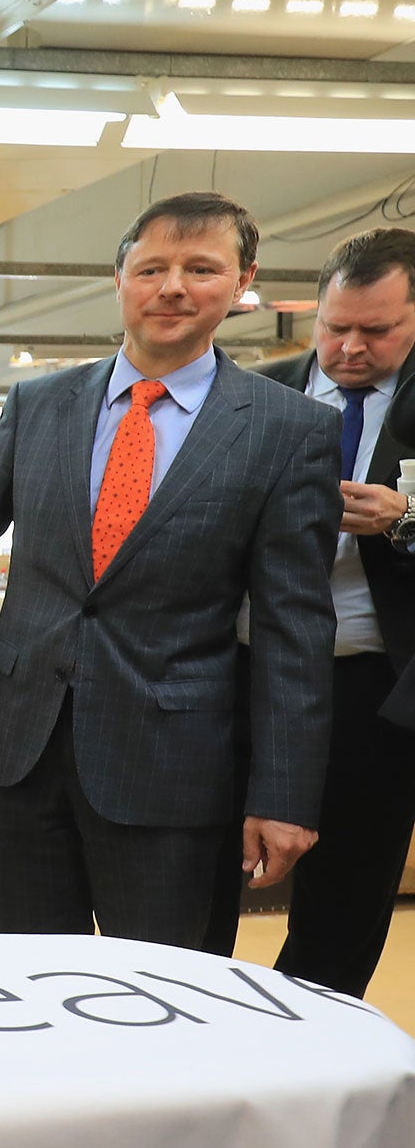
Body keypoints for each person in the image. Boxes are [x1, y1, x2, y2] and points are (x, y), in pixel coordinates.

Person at [0, 191, 341, 949]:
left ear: (243, 280)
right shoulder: (39, 405)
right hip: (20, 758)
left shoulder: (290, 433)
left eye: (201, 268)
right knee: (36, 991)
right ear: (119, 275)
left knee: (172, 1004)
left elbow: (295, 628)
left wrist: (284, 795)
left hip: (172, 773)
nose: (173, 288)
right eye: (152, 267)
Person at [238, 228, 415, 995]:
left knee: (345, 897)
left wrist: (408, 517)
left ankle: (306, 1042)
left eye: (376, 331)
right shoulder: (252, 397)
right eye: (334, 326)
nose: (349, 347)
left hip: (374, 685)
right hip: (251, 672)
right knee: (213, 872)